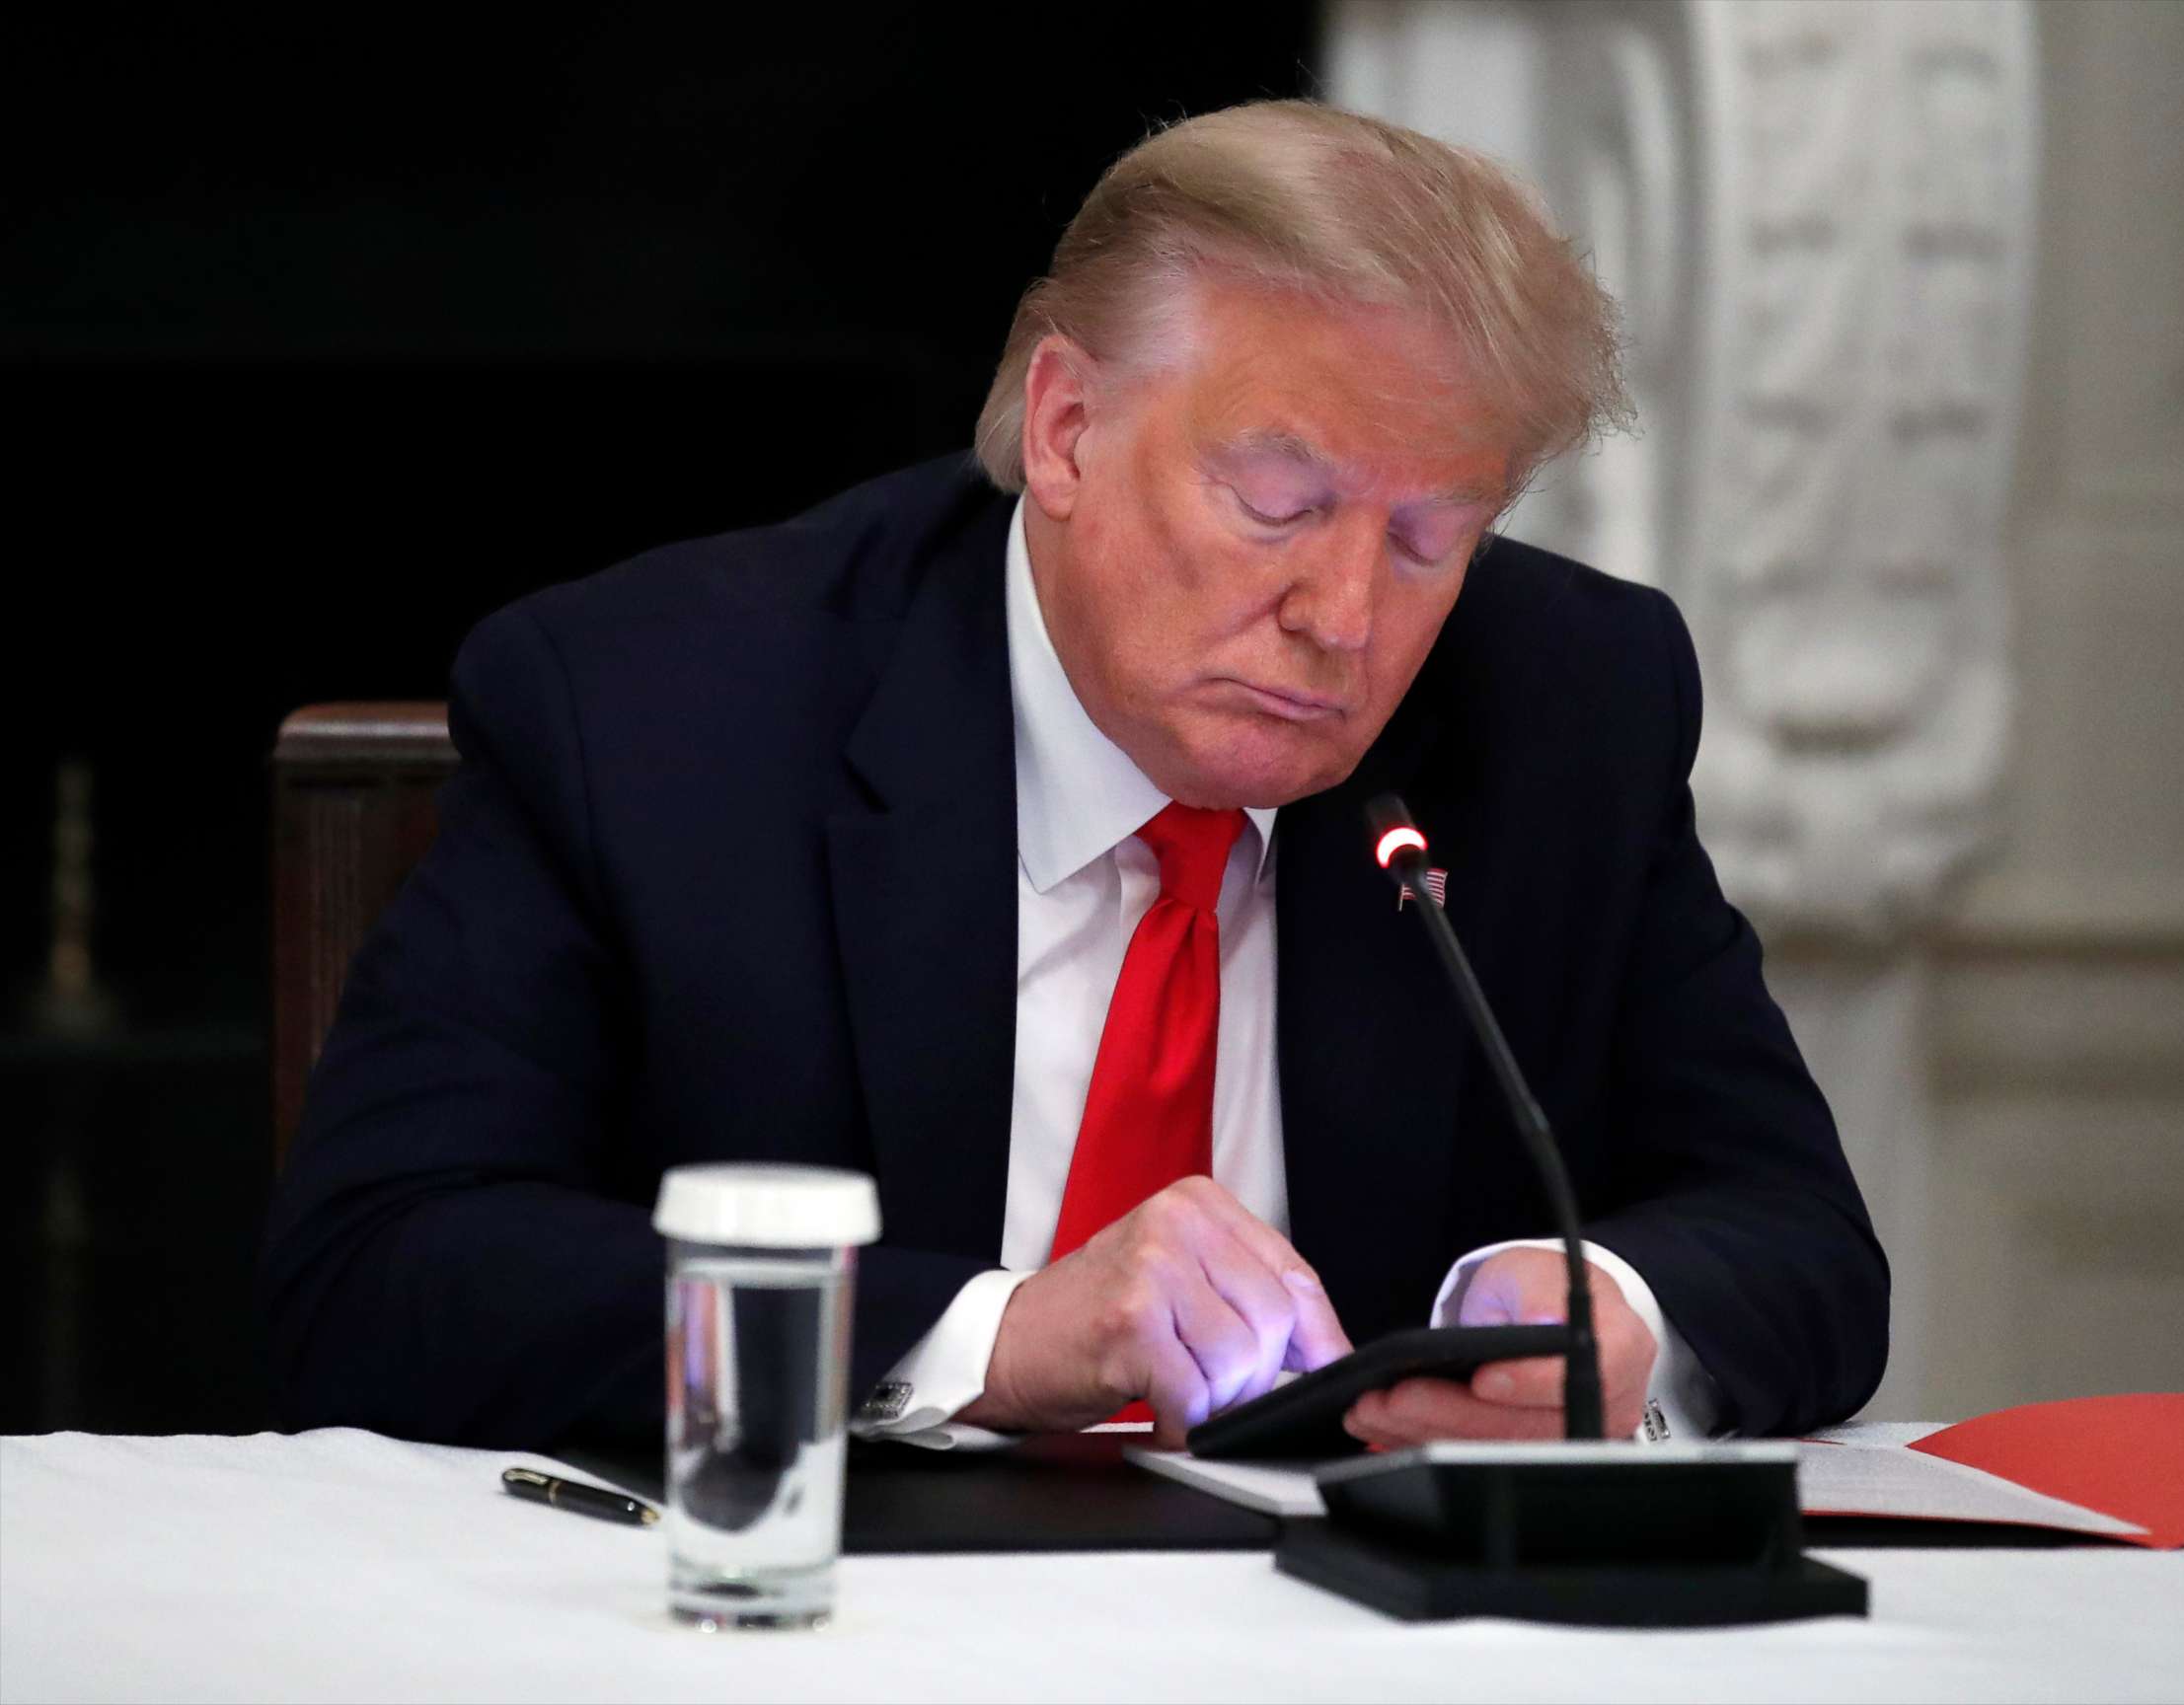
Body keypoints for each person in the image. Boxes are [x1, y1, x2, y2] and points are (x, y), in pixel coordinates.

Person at [259, 100, 1888, 1453]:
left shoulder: (1562, 710)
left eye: (1426, 536)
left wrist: (1611, 1315)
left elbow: (1800, 1241)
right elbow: (380, 1272)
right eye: (1276, 499)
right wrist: (985, 1336)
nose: (1345, 616)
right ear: (1065, 427)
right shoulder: (660, 710)